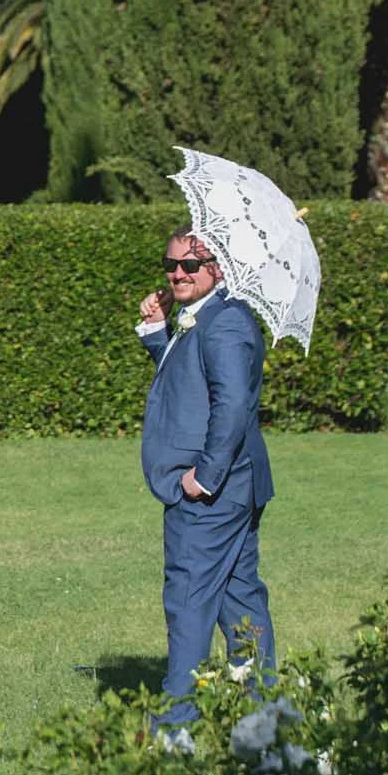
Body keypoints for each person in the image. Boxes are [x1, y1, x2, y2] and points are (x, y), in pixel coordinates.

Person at [137, 226, 275, 725]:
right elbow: (189, 385)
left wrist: (204, 478)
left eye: (191, 265)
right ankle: (265, 720)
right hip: (233, 489)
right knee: (240, 601)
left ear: (218, 268)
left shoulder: (226, 322)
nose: (178, 274)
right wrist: (158, 334)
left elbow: (233, 405)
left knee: (188, 601)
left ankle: (175, 729)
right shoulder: (204, 317)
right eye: (171, 264)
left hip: (213, 494)